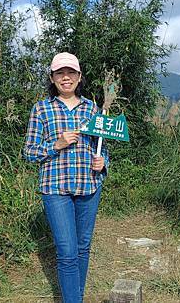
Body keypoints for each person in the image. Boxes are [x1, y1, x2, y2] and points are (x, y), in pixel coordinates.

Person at [23, 52, 108, 303]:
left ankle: (75, 298)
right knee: (67, 252)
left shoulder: (92, 108)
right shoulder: (41, 109)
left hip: (89, 186)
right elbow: (28, 152)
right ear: (52, 78)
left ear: (79, 77)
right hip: (55, 189)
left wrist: (103, 163)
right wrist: (56, 145)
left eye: (71, 72)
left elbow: (102, 147)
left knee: (82, 249)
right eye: (60, 73)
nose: (66, 77)